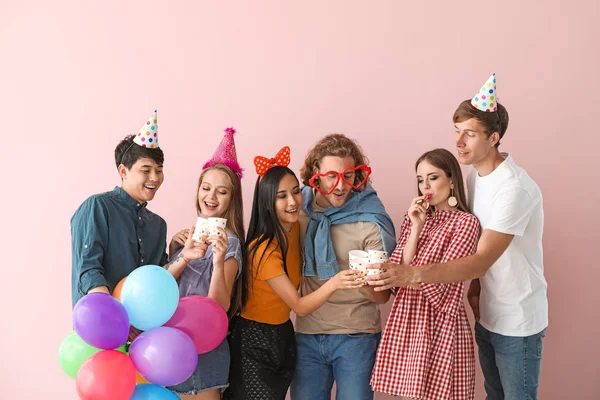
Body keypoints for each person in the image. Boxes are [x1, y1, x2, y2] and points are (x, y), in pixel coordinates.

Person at [367, 73, 548, 399]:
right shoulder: (475, 178)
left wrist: (411, 274)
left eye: (469, 134)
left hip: (517, 318)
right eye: (456, 132)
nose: (459, 142)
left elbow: (479, 260)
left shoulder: (514, 190)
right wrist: (476, 296)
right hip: (487, 314)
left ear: (493, 138)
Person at [226, 147, 362, 400]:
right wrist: (335, 283)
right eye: (281, 196)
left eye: (296, 192)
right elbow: (298, 305)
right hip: (254, 339)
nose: (292, 201)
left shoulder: (294, 227)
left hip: (284, 335)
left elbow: (322, 199)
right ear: (267, 201)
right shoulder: (263, 249)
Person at [289, 134, 397, 400]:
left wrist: (370, 282)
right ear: (315, 173)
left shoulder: (370, 219)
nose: (341, 185)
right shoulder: (296, 208)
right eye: (331, 176)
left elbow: (383, 296)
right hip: (307, 333)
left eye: (348, 175)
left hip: (357, 335)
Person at [370, 148, 479, 399]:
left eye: (433, 177)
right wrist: (416, 227)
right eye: (420, 179)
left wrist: (407, 275)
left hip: (440, 321)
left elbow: (446, 282)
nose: (425, 186)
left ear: (451, 180)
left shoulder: (465, 223)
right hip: (408, 317)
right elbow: (399, 270)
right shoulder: (413, 219)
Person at [71, 111, 204, 309]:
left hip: (144, 332)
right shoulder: (98, 207)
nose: (155, 177)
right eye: (146, 170)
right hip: (100, 326)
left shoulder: (158, 225)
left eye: (159, 170)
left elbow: (157, 280)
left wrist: (183, 254)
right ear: (123, 171)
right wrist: (116, 317)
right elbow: (89, 270)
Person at [164, 127, 246, 399]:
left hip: (205, 353)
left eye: (221, 191)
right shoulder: (186, 239)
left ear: (231, 199)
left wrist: (220, 261)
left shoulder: (230, 243)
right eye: (206, 188)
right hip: (174, 350)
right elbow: (161, 290)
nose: (211, 197)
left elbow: (218, 308)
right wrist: (181, 254)